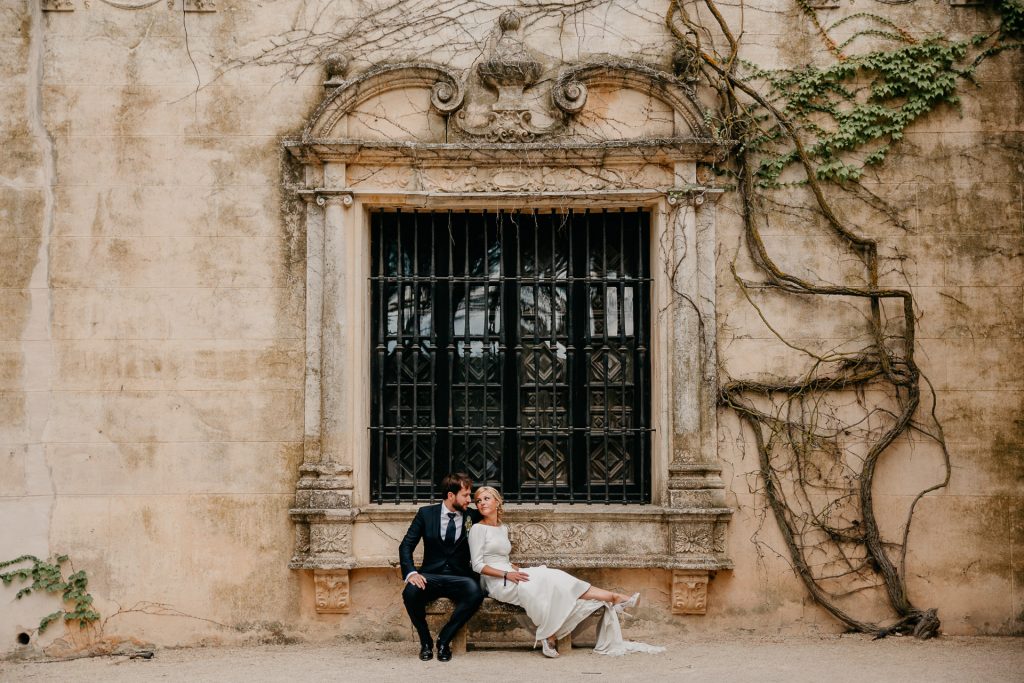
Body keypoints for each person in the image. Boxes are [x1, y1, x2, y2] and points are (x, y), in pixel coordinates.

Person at [468, 486, 663, 658]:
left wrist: (514, 568)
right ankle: (548, 634)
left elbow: (503, 558)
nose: (482, 503)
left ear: (497, 501)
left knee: (553, 576)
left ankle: (614, 596)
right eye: (478, 500)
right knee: (538, 584)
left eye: (486, 498)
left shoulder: (503, 528)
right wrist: (506, 574)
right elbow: (476, 565)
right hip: (495, 581)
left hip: (511, 572)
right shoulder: (478, 529)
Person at [399, 473, 485, 662]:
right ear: (450, 495)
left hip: (460, 577)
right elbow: (406, 545)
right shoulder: (425, 514)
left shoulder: (472, 516)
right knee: (410, 593)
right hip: (430, 576)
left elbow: (493, 525)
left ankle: (444, 640)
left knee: (475, 593)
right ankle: (425, 641)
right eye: (466, 495)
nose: (470, 500)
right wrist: (411, 572)